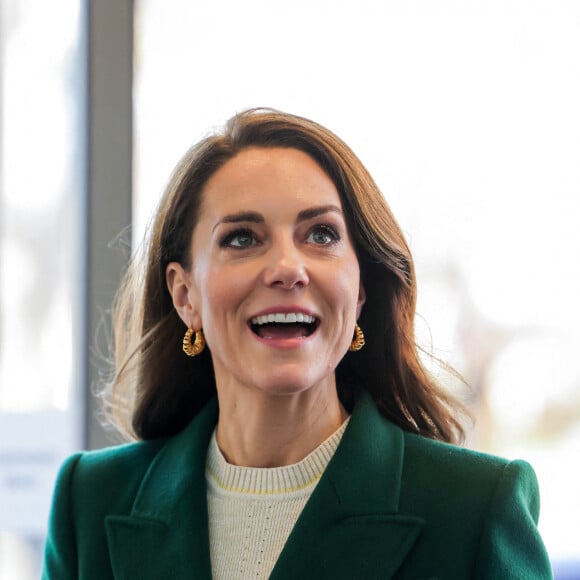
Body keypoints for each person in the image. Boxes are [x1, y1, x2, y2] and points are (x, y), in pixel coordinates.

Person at [42, 109, 552, 579]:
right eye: (242, 238)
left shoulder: (475, 509)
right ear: (185, 294)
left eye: (322, 235)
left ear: (360, 290)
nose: (288, 268)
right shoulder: (88, 503)